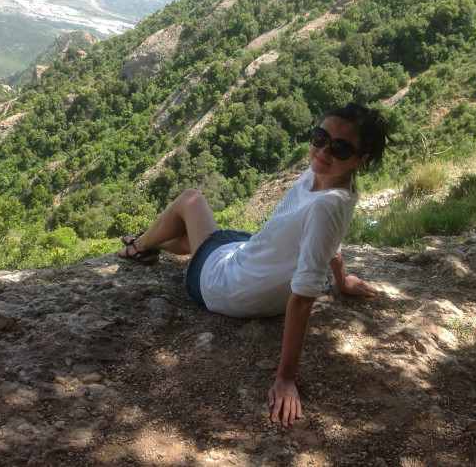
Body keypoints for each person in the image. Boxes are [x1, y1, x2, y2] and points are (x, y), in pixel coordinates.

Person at [118, 102, 390, 427]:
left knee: (190, 199)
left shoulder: (325, 208)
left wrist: (285, 379)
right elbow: (326, 240)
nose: (323, 151)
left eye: (340, 147)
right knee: (201, 234)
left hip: (224, 284)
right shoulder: (330, 182)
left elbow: (304, 298)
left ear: (360, 159)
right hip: (249, 259)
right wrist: (342, 280)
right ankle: (150, 242)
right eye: (320, 137)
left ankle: (138, 247)